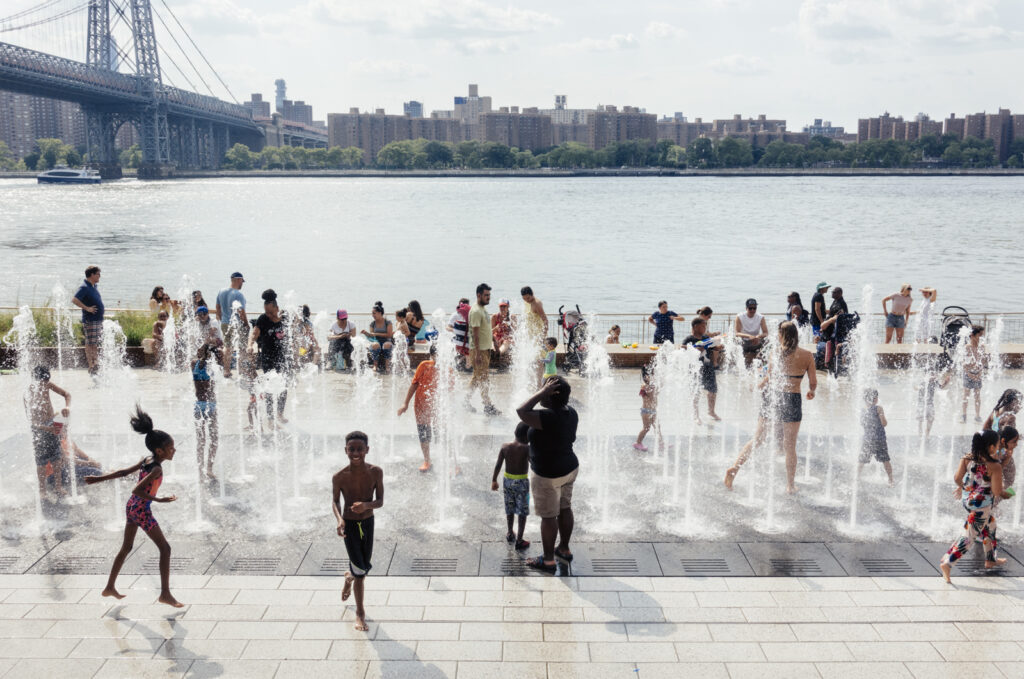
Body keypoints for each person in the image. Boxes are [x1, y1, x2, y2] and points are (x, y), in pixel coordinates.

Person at [85, 406, 182, 607]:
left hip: (131, 508)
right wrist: (159, 500)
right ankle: (165, 594)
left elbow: (123, 473)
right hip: (141, 509)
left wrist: (98, 479)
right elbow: (136, 490)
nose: (174, 450)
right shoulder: (155, 468)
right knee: (165, 549)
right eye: (171, 448)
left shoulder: (147, 460)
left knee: (127, 547)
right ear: (159, 451)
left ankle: (110, 587)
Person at [517, 376, 578, 574]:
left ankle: (549, 560)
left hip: (547, 474)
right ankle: (564, 548)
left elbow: (521, 411)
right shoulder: (571, 413)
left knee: (549, 516)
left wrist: (541, 393)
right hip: (569, 468)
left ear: (550, 396)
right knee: (565, 508)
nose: (540, 390)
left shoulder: (547, 417)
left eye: (544, 389)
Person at [939, 430, 1012, 583]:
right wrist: (1007, 494)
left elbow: (957, 478)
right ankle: (948, 562)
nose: (998, 448)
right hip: (982, 506)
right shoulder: (994, 466)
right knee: (970, 536)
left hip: (968, 501)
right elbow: (997, 491)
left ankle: (991, 559)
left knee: (990, 525)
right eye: (997, 445)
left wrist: (965, 487)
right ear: (991, 447)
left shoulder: (967, 458)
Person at [332, 430, 384, 632]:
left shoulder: (376, 472)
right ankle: (360, 613)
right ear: (345, 450)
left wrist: (366, 506)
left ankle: (349, 577)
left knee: (362, 566)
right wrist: (339, 519)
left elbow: (380, 501)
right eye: (351, 449)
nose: (356, 453)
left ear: (367, 450)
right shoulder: (339, 476)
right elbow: (335, 500)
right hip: (350, 526)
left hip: (368, 523)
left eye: (359, 449)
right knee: (361, 573)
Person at [24, 365, 70, 497]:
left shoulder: (48, 385)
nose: (44, 386)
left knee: (56, 457)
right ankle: (42, 491)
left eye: (46, 382)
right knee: (41, 461)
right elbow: (31, 421)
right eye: (42, 383)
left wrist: (67, 407)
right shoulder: (27, 393)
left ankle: (58, 487)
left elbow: (67, 394)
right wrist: (47, 428)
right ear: (35, 380)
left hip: (51, 424)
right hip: (39, 429)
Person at [248, 289, 291, 426]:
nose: (269, 315)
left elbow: (294, 334)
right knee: (270, 389)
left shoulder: (285, 318)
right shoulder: (263, 319)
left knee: (284, 387)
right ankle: (271, 419)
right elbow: (254, 333)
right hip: (268, 359)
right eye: (267, 312)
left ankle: (280, 413)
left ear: (277, 308)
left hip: (283, 358)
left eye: (271, 312)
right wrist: (250, 345)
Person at [397, 344, 442, 472]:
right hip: (421, 406)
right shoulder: (424, 365)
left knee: (442, 434)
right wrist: (405, 403)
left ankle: (452, 463)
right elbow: (414, 385)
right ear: (432, 356)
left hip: (438, 407)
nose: (440, 358)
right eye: (437, 355)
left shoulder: (447, 370)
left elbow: (450, 392)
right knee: (424, 434)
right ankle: (427, 460)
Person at [492, 422, 532, 551]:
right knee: (522, 511)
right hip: (522, 483)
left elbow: (498, 465)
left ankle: (510, 532)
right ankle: (519, 540)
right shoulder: (527, 448)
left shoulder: (505, 447)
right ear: (527, 436)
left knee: (509, 507)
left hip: (507, 480)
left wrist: (494, 480)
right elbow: (534, 463)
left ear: (515, 432)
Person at [467, 283, 500, 416]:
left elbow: (485, 329)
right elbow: (475, 333)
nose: (488, 298)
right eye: (486, 295)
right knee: (483, 378)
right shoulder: (475, 311)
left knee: (477, 378)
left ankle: (465, 401)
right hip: (478, 351)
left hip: (485, 349)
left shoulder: (483, 310)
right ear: (478, 295)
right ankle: (487, 405)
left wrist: (494, 341)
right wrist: (478, 354)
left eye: (489, 295)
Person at [684, 317, 721, 422]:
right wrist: (694, 348)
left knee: (713, 390)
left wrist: (718, 347)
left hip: (708, 367)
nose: (705, 328)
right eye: (703, 326)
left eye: (705, 326)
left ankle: (711, 411)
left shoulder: (706, 338)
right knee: (696, 391)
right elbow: (682, 347)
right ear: (695, 327)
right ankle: (696, 415)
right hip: (695, 368)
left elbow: (713, 347)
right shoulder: (689, 339)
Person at [192, 343, 219, 481]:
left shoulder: (194, 364)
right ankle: (209, 469)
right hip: (211, 405)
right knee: (214, 439)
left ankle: (199, 471)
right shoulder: (212, 367)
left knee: (200, 440)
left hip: (198, 404)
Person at [71, 265, 104, 377]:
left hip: (97, 319)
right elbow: (74, 300)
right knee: (91, 343)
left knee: (93, 343)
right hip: (91, 320)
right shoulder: (84, 287)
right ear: (92, 275)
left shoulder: (93, 286)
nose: (100, 276)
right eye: (98, 274)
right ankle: (92, 365)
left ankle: (95, 364)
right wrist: (87, 308)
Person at [215, 272, 247, 377]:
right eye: (242, 281)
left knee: (228, 346)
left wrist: (221, 319)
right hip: (236, 323)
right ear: (238, 280)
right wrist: (246, 324)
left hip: (225, 323)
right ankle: (241, 370)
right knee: (242, 346)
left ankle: (226, 370)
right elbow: (241, 312)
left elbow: (218, 308)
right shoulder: (238, 294)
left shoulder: (221, 291)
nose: (242, 283)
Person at [859, 388, 893, 486]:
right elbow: (884, 423)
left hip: (867, 439)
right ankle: (891, 480)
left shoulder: (862, 411)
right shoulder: (878, 408)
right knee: (885, 460)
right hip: (879, 439)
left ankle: (856, 478)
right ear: (876, 399)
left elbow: (862, 424)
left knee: (861, 460)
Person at [961, 325, 987, 423]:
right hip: (968, 373)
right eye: (980, 335)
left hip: (978, 373)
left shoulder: (982, 347)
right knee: (966, 394)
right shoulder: (967, 347)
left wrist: (980, 373)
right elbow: (963, 362)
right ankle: (964, 415)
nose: (981, 337)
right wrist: (969, 373)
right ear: (972, 335)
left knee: (977, 395)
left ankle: (977, 415)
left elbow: (983, 361)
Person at [634, 365, 662, 452]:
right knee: (646, 428)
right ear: (646, 376)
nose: (653, 377)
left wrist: (660, 385)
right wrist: (656, 387)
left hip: (653, 410)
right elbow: (651, 395)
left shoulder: (651, 385)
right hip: (646, 411)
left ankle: (661, 443)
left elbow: (655, 394)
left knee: (657, 426)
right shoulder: (644, 386)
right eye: (651, 375)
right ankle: (638, 443)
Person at [734, 298, 768, 367]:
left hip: (756, 341)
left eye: (754, 308)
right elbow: (737, 333)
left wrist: (758, 337)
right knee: (735, 340)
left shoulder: (761, 317)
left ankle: (764, 363)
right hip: (744, 341)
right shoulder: (739, 316)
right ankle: (739, 364)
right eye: (750, 308)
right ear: (746, 308)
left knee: (769, 341)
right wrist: (749, 336)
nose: (752, 310)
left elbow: (766, 332)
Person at [917, 366, 950, 438]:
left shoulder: (934, 382)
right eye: (932, 374)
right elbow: (916, 388)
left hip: (930, 404)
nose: (934, 376)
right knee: (921, 419)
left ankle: (927, 432)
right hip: (921, 403)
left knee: (931, 418)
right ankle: (920, 434)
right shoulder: (923, 382)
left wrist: (946, 382)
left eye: (934, 374)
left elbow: (940, 387)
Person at [362, 302, 394, 373]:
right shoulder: (372, 324)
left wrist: (377, 333)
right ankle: (375, 365)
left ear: (380, 313)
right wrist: (366, 333)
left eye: (374, 313)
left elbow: (389, 335)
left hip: (387, 341)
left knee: (387, 344)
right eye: (372, 313)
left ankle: (387, 366)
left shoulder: (388, 322)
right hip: (376, 341)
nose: (372, 315)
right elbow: (372, 336)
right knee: (375, 344)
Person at [448, 298, 471, 371]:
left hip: (467, 339)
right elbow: (448, 327)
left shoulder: (471, 315)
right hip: (458, 338)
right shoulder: (455, 315)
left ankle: (461, 361)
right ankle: (465, 364)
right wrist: (458, 331)